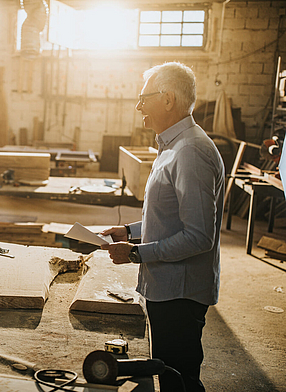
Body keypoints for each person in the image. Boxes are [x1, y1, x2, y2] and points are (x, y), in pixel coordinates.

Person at [100, 62, 224, 392]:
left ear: (168, 99)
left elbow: (199, 236)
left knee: (178, 380)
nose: (139, 106)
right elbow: (169, 216)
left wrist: (137, 253)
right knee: (168, 372)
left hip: (180, 295)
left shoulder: (190, 152)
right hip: (168, 289)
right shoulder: (171, 147)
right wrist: (130, 231)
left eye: (144, 97)